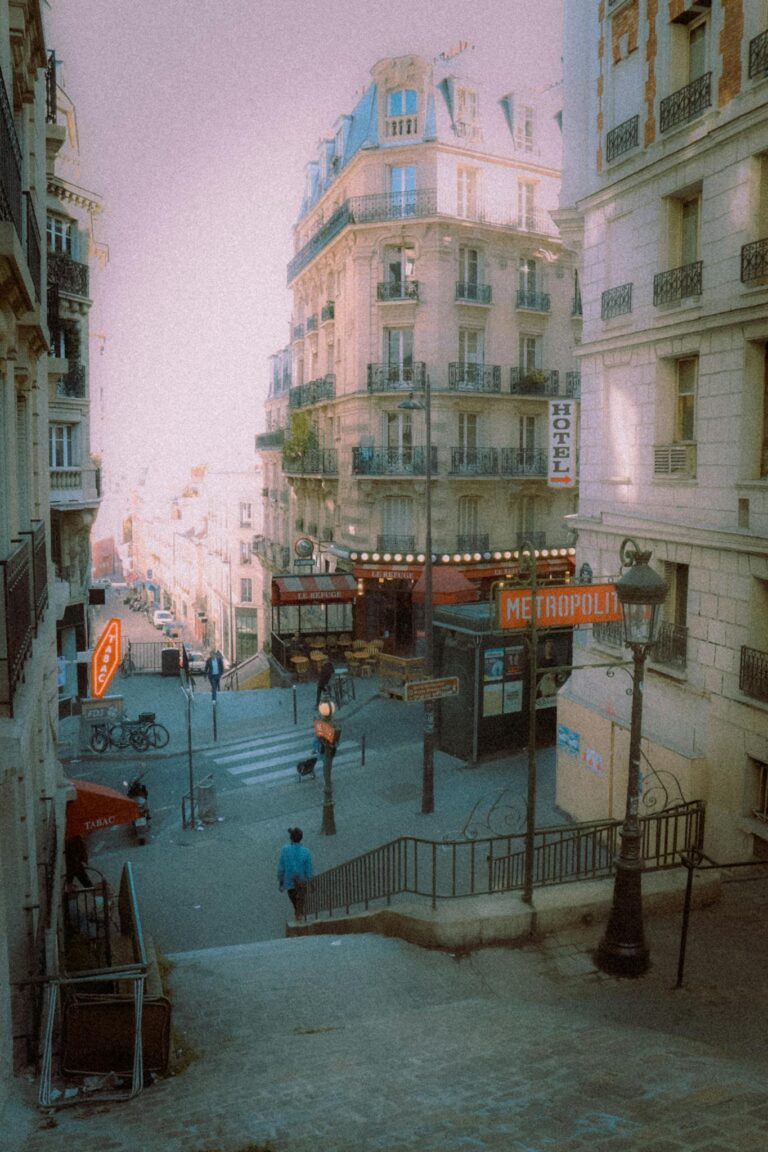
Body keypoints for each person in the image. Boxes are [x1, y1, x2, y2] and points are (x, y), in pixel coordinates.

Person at [277, 827, 314, 921]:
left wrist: (281, 880)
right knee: (301, 900)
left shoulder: (285, 850)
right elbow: (308, 869)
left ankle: (298, 915)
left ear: (291, 838)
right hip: (301, 881)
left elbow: (281, 867)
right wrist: (311, 881)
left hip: (289, 882)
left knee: (294, 901)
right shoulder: (306, 852)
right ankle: (300, 914)